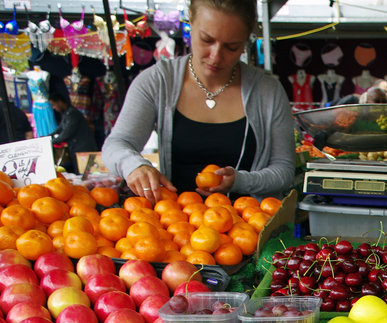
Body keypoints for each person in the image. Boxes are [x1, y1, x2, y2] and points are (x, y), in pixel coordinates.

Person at [102, 0, 294, 201]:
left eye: (231, 47)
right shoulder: (157, 82)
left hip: (249, 227)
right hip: (175, 225)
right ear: (190, 23)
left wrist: (240, 181)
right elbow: (117, 144)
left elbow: (284, 170)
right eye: (206, 40)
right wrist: (134, 165)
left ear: (246, 41)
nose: (216, 56)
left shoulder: (267, 92)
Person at [49, 92, 97, 162]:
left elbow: (67, 133)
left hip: (83, 149)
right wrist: (48, 138)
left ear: (59, 102)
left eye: (54, 105)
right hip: (76, 149)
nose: (54, 108)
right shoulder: (66, 113)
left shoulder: (72, 114)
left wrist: (51, 142)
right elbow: (60, 129)